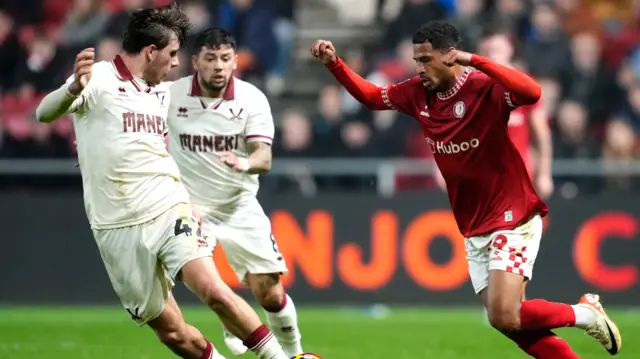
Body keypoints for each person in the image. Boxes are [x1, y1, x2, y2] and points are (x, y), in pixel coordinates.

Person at [311, 20, 622, 358]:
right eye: (417, 59)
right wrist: (335, 65)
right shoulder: (418, 91)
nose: (419, 67)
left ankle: (584, 314)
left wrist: (475, 60)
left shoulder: (484, 86)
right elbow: (372, 97)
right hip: (473, 223)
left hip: (512, 214)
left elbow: (532, 93)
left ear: (450, 56)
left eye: (426, 59)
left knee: (506, 313)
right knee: (505, 321)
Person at [35, 4, 290, 359]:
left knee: (213, 290)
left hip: (166, 205)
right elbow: (43, 113)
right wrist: (72, 89)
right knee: (173, 333)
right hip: (115, 224)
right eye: (171, 54)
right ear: (151, 51)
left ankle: (280, 357)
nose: (175, 64)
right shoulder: (100, 79)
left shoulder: (161, 92)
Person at [166, 28, 303, 357]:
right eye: (210, 59)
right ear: (196, 61)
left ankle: (297, 350)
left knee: (269, 293)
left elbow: (264, 156)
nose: (218, 66)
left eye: (225, 59)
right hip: (189, 207)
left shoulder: (251, 98)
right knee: (210, 287)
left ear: (235, 61)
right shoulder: (170, 96)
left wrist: (245, 162)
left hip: (238, 204)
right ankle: (239, 319)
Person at [433, 27, 554, 199]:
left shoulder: (524, 85)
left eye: (498, 50)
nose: (493, 55)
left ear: (510, 49)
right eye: (488, 51)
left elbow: (542, 134)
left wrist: (544, 173)